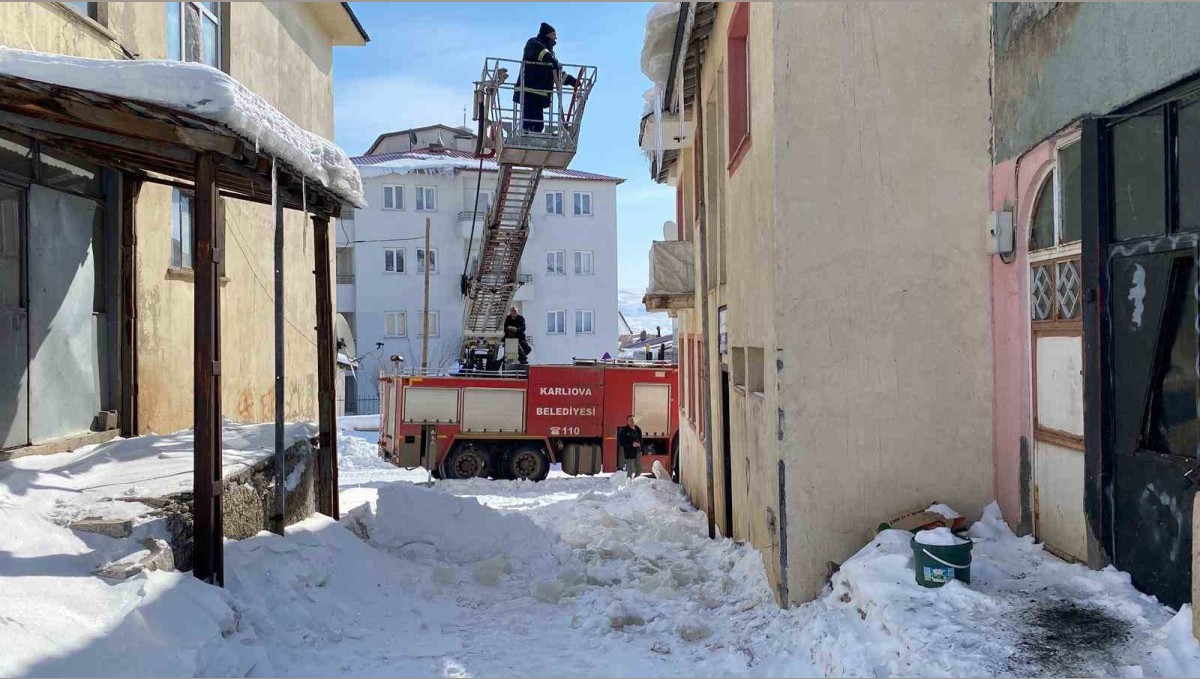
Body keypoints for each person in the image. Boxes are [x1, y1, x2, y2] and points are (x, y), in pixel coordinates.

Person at [515, 22, 578, 132]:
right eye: (553, 35)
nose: (555, 39)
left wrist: (572, 81)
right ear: (546, 34)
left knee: (538, 125)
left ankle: (532, 136)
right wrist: (552, 60)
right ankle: (527, 135)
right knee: (530, 122)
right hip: (529, 91)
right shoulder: (534, 43)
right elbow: (545, 56)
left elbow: (556, 73)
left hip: (540, 93)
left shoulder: (550, 53)